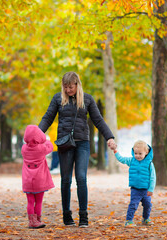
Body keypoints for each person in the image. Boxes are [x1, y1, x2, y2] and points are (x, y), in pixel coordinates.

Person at [38, 71, 116, 227]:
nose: (68, 90)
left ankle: (83, 216)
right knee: (66, 180)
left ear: (77, 85)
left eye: (71, 87)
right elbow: (48, 118)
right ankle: (67, 215)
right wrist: (36, 135)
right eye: (65, 87)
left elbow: (98, 120)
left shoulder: (87, 99)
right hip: (65, 144)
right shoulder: (57, 99)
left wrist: (110, 137)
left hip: (82, 144)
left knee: (81, 178)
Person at [112, 140, 156, 227]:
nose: (137, 156)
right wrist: (115, 151)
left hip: (146, 190)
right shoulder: (132, 160)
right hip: (135, 189)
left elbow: (152, 177)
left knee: (147, 205)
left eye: (140, 154)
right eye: (136, 153)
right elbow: (121, 159)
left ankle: (145, 219)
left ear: (146, 152)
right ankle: (129, 220)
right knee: (133, 205)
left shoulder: (149, 163)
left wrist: (151, 189)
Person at [21, 125, 55, 229]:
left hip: (27, 180)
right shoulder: (42, 148)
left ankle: (32, 221)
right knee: (39, 201)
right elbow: (51, 146)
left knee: (30, 201)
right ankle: (38, 220)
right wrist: (44, 140)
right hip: (39, 180)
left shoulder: (24, 149)